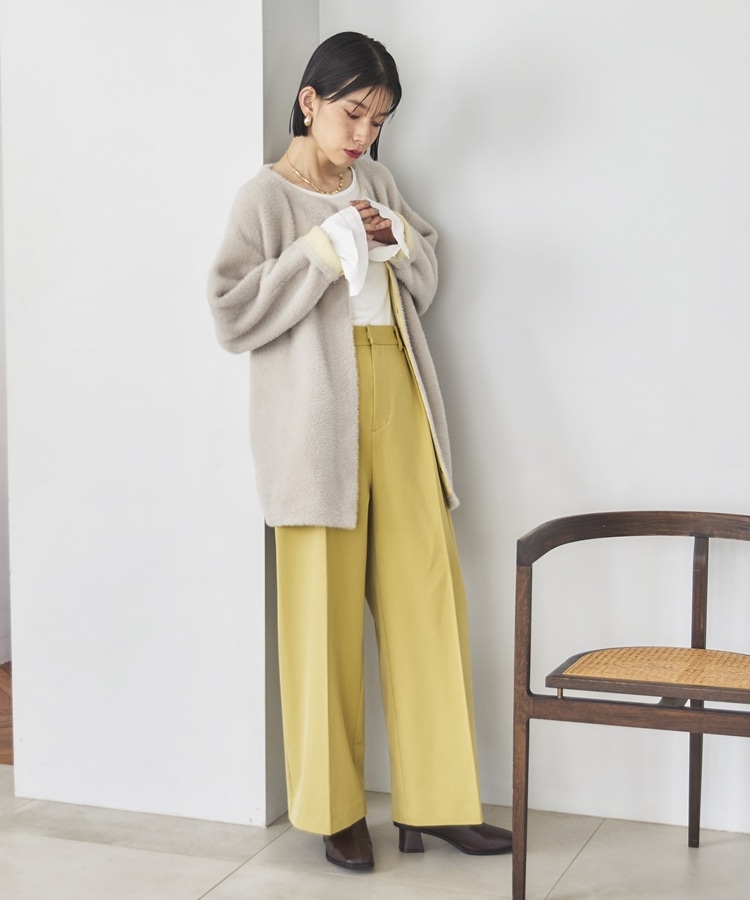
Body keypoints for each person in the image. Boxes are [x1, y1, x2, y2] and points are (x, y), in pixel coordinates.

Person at [207, 31, 511, 871]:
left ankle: (439, 804)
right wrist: (321, 250)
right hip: (313, 418)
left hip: (397, 390)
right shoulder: (264, 198)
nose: (364, 134)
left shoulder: (375, 180)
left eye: (378, 120)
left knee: (427, 597)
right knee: (323, 617)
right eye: (353, 113)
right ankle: (335, 813)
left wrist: (394, 239)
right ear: (309, 102)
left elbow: (425, 270)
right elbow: (232, 314)